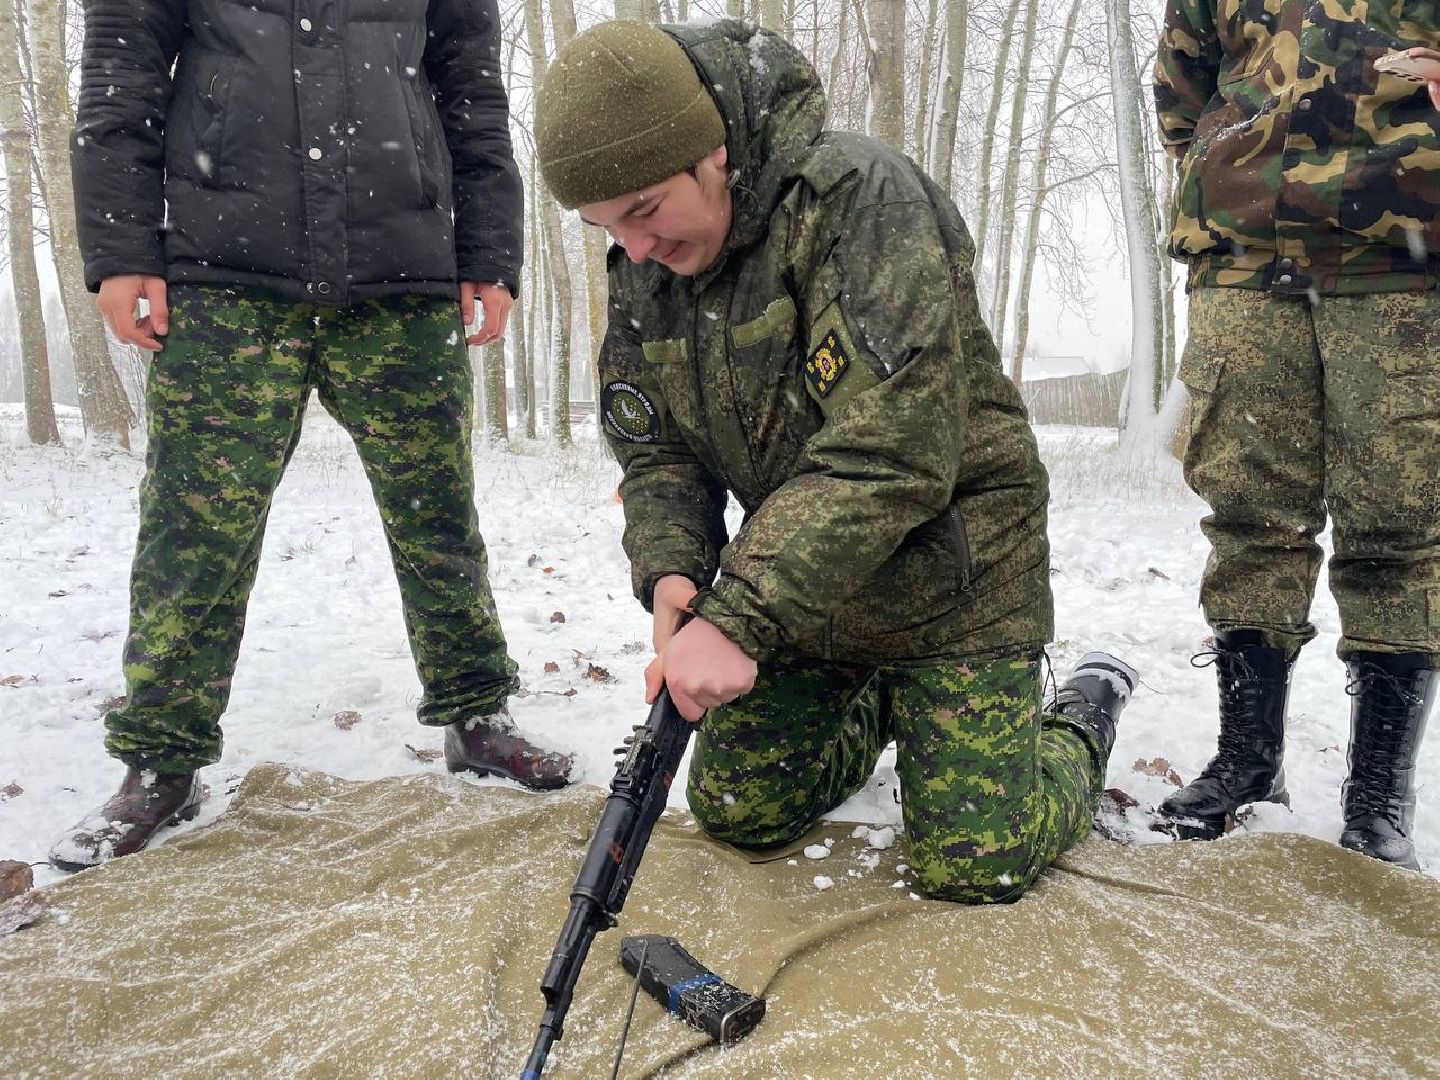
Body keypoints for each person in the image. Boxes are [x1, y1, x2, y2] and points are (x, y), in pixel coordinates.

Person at [533, 19, 1139, 904]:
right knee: (740, 807)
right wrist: (672, 571)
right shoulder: (647, 271)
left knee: (976, 863)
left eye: (646, 210)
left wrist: (738, 617)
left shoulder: (858, 201)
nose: (633, 249)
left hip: (958, 572)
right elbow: (656, 448)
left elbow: (890, 453)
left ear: (712, 151)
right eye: (605, 226)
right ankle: (891, 702)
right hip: (811, 589)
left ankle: (1085, 708)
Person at [50, 0, 574, 872]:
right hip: (224, 270)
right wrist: (120, 248)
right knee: (195, 529)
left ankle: (477, 713)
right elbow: (121, 77)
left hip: (403, 269)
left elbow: (472, 92)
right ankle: (161, 761)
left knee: (438, 516)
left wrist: (490, 250)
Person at [1153, 7, 1440, 867]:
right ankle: (1247, 763)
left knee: (1400, 525)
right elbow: (1182, 87)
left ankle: (1379, 795)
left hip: (1403, 262)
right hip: (1243, 262)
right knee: (1249, 517)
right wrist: (1226, 166)